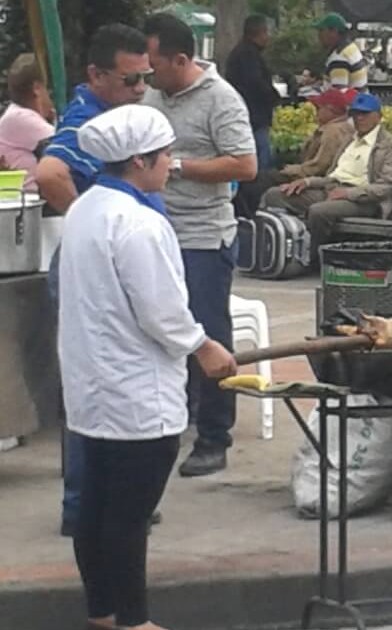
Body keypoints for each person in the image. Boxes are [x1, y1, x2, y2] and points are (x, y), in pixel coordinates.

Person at [62, 103, 237, 630]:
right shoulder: (138, 223)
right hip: (136, 391)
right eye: (166, 156)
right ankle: (133, 622)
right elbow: (163, 312)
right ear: (140, 161)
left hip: (92, 388)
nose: (171, 164)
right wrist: (205, 348)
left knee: (95, 509)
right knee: (128, 516)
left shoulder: (86, 208)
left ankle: (102, 611)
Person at [35, 23, 154, 539]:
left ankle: (112, 503)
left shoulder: (119, 114)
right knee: (95, 391)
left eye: (145, 78)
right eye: (130, 80)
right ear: (96, 75)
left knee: (115, 390)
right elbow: (48, 175)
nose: (140, 89)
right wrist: (93, 221)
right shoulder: (87, 120)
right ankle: (85, 507)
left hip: (115, 266)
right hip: (96, 273)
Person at [143, 13, 257, 477]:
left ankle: (214, 436)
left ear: (181, 59)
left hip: (204, 237)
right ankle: (181, 416)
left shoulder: (220, 99)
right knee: (160, 332)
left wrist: (178, 167)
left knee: (207, 334)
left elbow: (246, 165)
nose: (148, 75)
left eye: (154, 65)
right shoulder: (152, 94)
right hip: (156, 232)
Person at [264, 92, 392, 265]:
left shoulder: (390, 146)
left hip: (364, 200)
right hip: (331, 190)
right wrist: (307, 182)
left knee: (319, 211)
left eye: (365, 114)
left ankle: (314, 259)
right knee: (275, 195)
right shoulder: (349, 140)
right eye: (355, 114)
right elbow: (333, 176)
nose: (359, 118)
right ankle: (278, 250)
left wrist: (348, 193)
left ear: (378, 117)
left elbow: (387, 187)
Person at [225, 14, 281, 171]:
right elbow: (255, 83)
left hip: (250, 114)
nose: (268, 37)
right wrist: (274, 97)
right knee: (261, 158)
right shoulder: (248, 55)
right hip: (253, 116)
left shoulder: (243, 53)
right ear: (259, 33)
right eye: (266, 33)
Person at [0, 53, 55, 190]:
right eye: (47, 90)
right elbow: (66, 144)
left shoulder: (16, 116)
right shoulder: (20, 117)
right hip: (26, 202)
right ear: (37, 89)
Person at [278, 89, 354, 181]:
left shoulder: (332, 131)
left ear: (330, 110)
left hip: (315, 181)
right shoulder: (345, 127)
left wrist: (295, 169)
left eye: (318, 108)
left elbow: (321, 165)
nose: (316, 112)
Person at [313, 12, 368, 92]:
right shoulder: (351, 48)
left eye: (321, 30)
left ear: (334, 32)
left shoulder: (339, 58)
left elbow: (339, 96)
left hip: (350, 104)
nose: (319, 35)